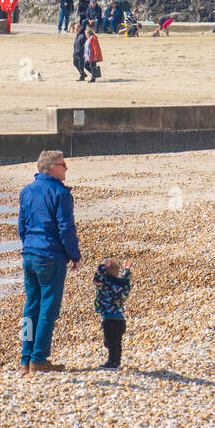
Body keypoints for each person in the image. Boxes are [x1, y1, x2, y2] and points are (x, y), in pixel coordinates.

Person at [18, 150, 81, 374]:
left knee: (30, 308)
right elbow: (66, 228)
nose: (66, 169)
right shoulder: (60, 193)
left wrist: (29, 247)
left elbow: (22, 226)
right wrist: (74, 256)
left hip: (30, 255)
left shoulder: (27, 191)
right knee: (48, 309)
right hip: (50, 256)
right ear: (53, 168)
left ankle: (25, 359)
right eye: (63, 165)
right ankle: (38, 358)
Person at [94, 258, 132, 370]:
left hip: (109, 318)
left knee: (109, 342)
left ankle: (112, 363)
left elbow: (97, 279)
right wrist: (126, 270)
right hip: (120, 319)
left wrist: (103, 267)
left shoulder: (104, 283)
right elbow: (126, 280)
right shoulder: (122, 284)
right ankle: (116, 362)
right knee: (116, 342)